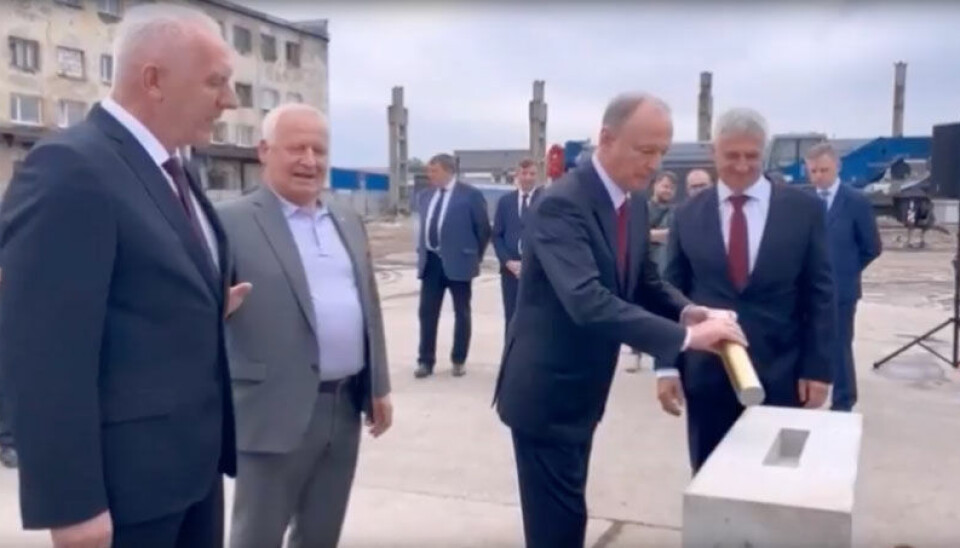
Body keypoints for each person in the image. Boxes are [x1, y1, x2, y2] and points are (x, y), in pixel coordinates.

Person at [0, 4, 249, 547]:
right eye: (216, 82)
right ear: (154, 79)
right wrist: (72, 505)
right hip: (123, 495)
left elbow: (141, 293)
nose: (229, 101)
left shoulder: (171, 170)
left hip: (190, 473)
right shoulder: (71, 168)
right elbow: (43, 351)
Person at [493, 92, 747, 548]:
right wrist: (688, 337)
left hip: (583, 393)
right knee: (558, 525)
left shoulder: (633, 204)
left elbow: (645, 281)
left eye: (662, 152)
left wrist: (691, 310)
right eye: (645, 150)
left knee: (567, 514)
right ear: (606, 139)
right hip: (546, 396)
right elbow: (587, 300)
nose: (654, 164)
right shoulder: (561, 205)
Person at [218, 104, 392, 548]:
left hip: (344, 407)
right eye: (297, 148)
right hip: (271, 410)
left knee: (320, 534)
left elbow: (368, 305)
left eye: (319, 150)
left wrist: (379, 385)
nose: (310, 161)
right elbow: (195, 312)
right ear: (264, 151)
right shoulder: (231, 223)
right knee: (256, 536)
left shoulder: (346, 220)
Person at [659, 108, 836, 472]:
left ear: (764, 153)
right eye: (732, 156)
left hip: (784, 374)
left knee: (774, 485)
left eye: (752, 156)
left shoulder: (803, 211)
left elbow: (820, 294)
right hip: (707, 374)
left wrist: (819, 370)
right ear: (714, 153)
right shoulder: (688, 215)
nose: (742, 166)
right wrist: (666, 367)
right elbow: (671, 292)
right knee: (710, 477)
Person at [804, 142, 881, 411]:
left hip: (841, 289)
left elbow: (872, 246)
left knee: (839, 345)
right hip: (809, 289)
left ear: (837, 167)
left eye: (824, 170)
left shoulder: (855, 201)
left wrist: (847, 270)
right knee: (808, 341)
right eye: (813, 171)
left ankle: (844, 400)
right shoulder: (805, 201)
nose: (819, 177)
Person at [414, 154, 491, 378]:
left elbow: (483, 229)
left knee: (461, 313)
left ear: (448, 171)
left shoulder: (470, 195)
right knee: (427, 313)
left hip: (460, 262)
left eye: (434, 170)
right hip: (431, 262)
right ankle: (425, 361)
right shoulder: (425, 196)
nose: (430, 175)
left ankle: (459, 359)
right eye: (429, 171)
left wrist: (473, 256)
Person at [492, 157, 542, 335]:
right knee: (511, 318)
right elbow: (496, 236)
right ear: (517, 175)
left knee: (537, 319)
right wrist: (508, 262)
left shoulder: (548, 199)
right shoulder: (505, 202)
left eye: (532, 173)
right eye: (524, 173)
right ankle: (511, 359)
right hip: (510, 273)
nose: (528, 177)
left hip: (539, 273)